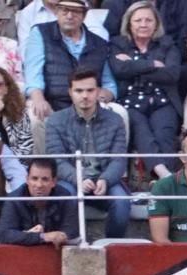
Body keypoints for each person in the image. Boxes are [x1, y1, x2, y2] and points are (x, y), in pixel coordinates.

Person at [44, 66, 131, 236]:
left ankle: (113, 245)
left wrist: (105, 179)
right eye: (79, 90)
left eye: (90, 90)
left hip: (105, 179)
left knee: (121, 202)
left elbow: (119, 159)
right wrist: (79, 178)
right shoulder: (56, 121)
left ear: (98, 91)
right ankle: (70, 243)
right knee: (65, 198)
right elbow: (57, 160)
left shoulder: (114, 120)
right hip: (70, 180)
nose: (85, 96)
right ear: (70, 92)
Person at [110, 0, 183, 182]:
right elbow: (119, 69)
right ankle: (165, 177)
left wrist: (133, 66)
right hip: (129, 101)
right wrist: (152, 64)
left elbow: (172, 74)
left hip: (162, 100)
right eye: (138, 20)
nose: (143, 24)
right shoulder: (118, 44)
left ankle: (163, 183)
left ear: (156, 24)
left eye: (148, 20)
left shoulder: (167, 44)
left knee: (163, 134)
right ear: (129, 23)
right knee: (141, 130)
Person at [24, 0, 116, 141]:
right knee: (36, 116)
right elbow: (33, 74)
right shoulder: (40, 33)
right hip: (52, 100)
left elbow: (109, 84)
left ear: (84, 16)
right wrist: (38, 98)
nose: (69, 15)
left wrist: (102, 97)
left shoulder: (99, 43)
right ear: (56, 12)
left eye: (76, 11)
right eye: (64, 10)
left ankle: (111, 161)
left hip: (89, 102)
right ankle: (44, 162)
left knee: (120, 113)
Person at [0, 154, 81, 243]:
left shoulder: (64, 196)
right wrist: (41, 237)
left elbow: (71, 232)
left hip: (55, 253)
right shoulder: (14, 199)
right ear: (27, 180)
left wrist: (59, 236)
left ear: (53, 182)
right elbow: (5, 235)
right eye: (34, 179)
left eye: (45, 179)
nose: (39, 185)